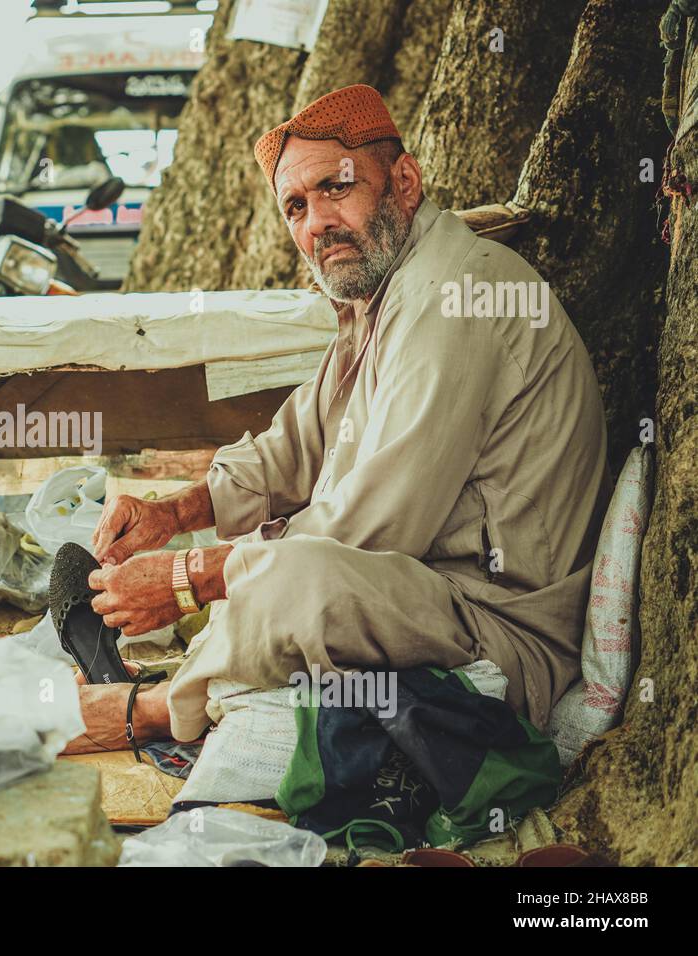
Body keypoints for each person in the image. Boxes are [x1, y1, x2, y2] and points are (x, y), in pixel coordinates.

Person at [69, 84, 609, 750]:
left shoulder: (455, 294)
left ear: (404, 182)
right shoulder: (387, 295)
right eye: (296, 206)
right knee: (264, 564)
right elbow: (293, 446)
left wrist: (187, 580)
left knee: (296, 577)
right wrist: (172, 515)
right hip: (424, 596)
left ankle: (147, 710)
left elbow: (370, 529)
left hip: (499, 634)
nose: (316, 223)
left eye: (336, 189)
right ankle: (173, 667)